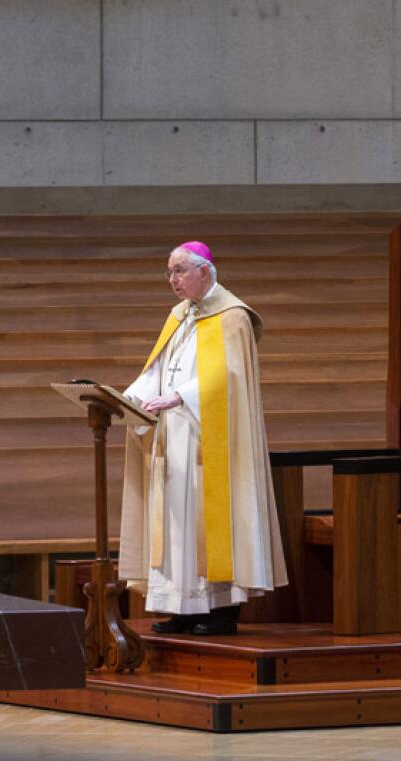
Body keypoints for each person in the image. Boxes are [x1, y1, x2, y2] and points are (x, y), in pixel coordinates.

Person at [119, 241, 287, 636]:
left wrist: (181, 396)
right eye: (169, 272)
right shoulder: (179, 317)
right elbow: (158, 368)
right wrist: (131, 396)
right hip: (172, 437)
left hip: (211, 438)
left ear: (205, 272)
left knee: (211, 521)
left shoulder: (233, 317)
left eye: (179, 271)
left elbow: (231, 376)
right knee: (177, 523)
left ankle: (221, 609)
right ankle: (183, 607)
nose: (172, 280)